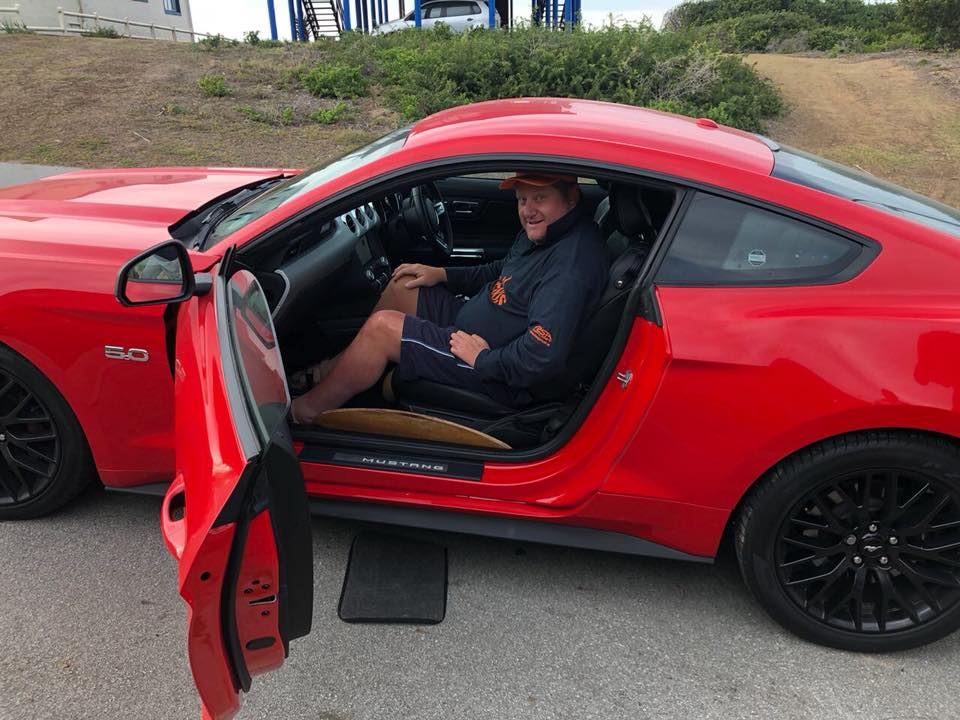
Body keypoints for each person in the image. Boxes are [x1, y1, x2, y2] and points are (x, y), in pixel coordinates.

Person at [291, 172, 609, 423]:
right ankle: (326, 374)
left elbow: (541, 356)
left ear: (571, 198)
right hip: (475, 329)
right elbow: (501, 271)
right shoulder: (547, 235)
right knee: (404, 285)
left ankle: (305, 411)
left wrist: (483, 359)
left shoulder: (570, 267)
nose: (528, 210)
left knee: (382, 329)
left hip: (499, 372)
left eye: (540, 198)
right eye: (522, 199)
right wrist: (442, 274)